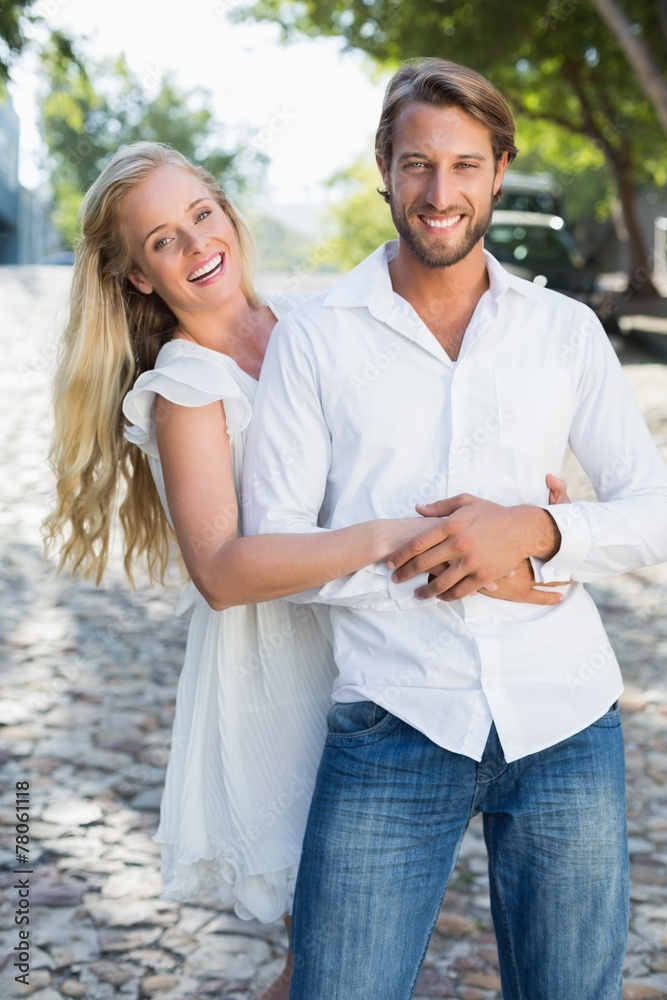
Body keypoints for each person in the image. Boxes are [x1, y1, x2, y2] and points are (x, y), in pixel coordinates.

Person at [43, 141, 568, 1000]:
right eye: (162, 241)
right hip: (283, 676)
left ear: (228, 214)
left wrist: (525, 507)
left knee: (334, 951)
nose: (195, 244)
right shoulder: (187, 387)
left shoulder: (309, 325)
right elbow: (221, 571)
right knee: (327, 950)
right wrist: (390, 534)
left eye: (200, 216)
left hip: (371, 648)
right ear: (138, 277)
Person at [242, 59, 667, 1000]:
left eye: (466, 165)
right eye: (418, 165)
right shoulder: (314, 338)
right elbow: (272, 548)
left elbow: (653, 510)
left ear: (500, 169)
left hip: (564, 717)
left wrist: (537, 534)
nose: (441, 194)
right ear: (383, 169)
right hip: (392, 717)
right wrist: (442, 555)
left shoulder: (563, 331)